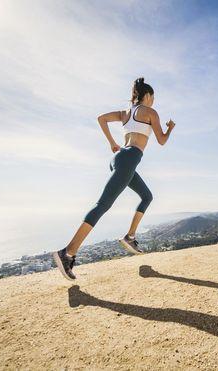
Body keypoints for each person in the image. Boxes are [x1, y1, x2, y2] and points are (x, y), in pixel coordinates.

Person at [52, 77, 176, 281]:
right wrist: (169, 128)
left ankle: (130, 236)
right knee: (102, 205)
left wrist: (112, 143)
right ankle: (67, 253)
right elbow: (161, 140)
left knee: (147, 196)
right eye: (153, 97)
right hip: (129, 158)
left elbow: (101, 118)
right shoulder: (150, 112)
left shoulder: (126, 113)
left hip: (120, 158)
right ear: (147, 95)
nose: (153, 101)